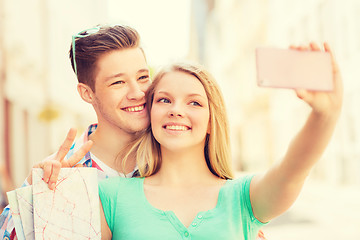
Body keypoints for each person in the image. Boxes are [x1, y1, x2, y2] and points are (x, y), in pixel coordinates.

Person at [0, 23, 267, 240]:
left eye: (142, 77)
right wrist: (36, 197)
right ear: (87, 93)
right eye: (118, 82)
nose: (138, 93)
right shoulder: (63, 172)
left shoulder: (177, 143)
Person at [98, 42, 343, 239]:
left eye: (194, 102)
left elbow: (294, 168)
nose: (176, 110)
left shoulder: (244, 198)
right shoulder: (110, 196)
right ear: (150, 112)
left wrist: (324, 115)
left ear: (211, 122)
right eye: (164, 100)